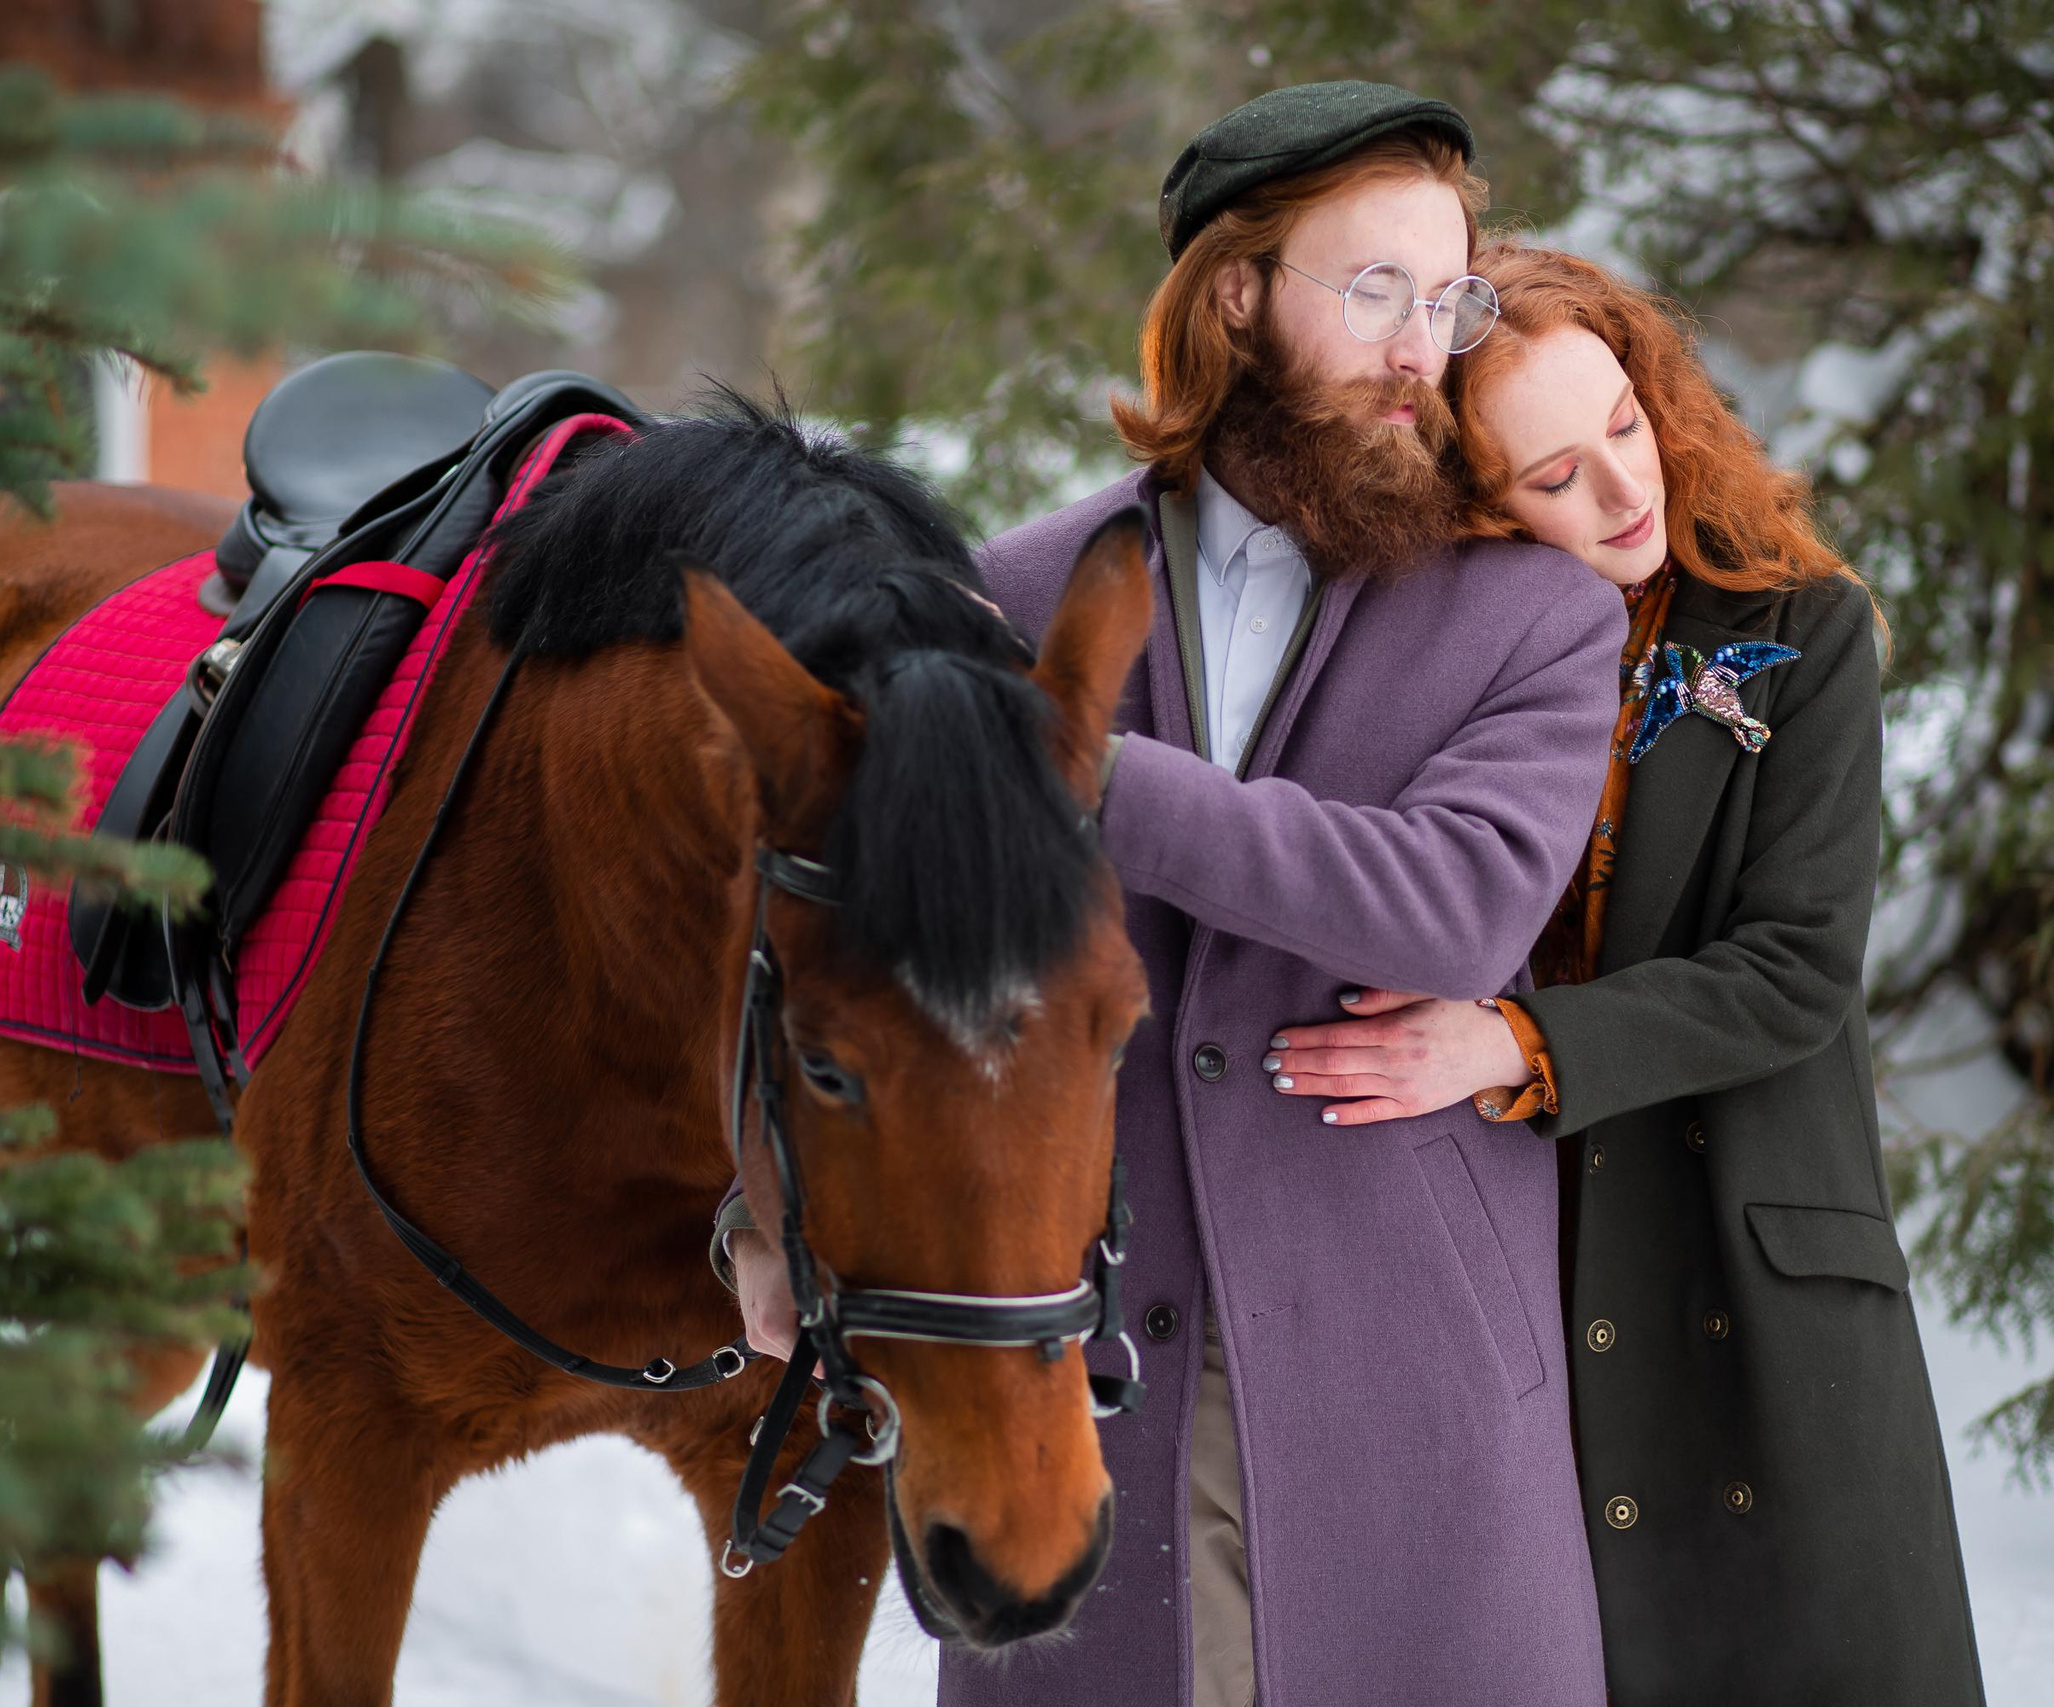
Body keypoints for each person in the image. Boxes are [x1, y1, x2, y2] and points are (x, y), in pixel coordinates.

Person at [728, 85, 1626, 1706]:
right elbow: (860, 962)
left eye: (1449, 300)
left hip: (1401, 1393)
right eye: (1377, 294)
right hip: (1079, 1389)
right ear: (1236, 296)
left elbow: (1458, 909)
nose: (1425, 347)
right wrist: (775, 1222)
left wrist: (1082, 764)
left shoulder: (1535, 615)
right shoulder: (998, 595)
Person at [1260, 242, 1988, 1705]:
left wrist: (1515, 1043)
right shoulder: (1430, 662)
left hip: (1752, 1262)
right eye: (1551, 480)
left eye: (1623, 427)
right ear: (1466, 501)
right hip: (1535, 1262)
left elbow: (1793, 971)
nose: (1622, 492)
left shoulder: (1797, 628)